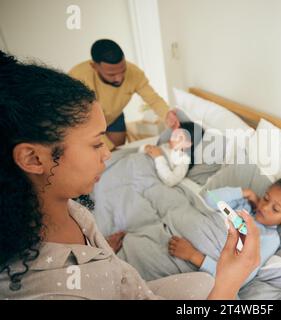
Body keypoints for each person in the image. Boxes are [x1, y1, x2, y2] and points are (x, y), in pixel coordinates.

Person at [0, 51, 260, 300]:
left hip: (128, 286)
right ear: (33, 159)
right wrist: (229, 282)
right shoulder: (52, 290)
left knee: (205, 282)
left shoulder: (72, 209)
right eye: (95, 143)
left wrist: (101, 254)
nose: (108, 154)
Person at [169, 169, 281, 287]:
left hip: (196, 258)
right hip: (185, 229)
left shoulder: (269, 239)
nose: (264, 207)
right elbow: (209, 200)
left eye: (275, 209)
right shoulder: (243, 207)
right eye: (266, 198)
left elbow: (241, 277)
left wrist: (193, 256)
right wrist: (244, 192)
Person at [69, 39, 180, 150]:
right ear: (94, 66)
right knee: (103, 153)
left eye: (123, 71)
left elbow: (154, 99)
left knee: (118, 150)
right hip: (86, 121)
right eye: (111, 74)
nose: (119, 78)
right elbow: (84, 120)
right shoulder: (78, 78)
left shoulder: (134, 73)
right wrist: (108, 148)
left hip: (114, 117)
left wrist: (167, 114)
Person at [139, 122, 202, 187]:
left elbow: (170, 181)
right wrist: (145, 147)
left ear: (188, 144)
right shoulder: (165, 145)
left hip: (146, 174)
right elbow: (141, 153)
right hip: (140, 163)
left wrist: (158, 157)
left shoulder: (184, 160)